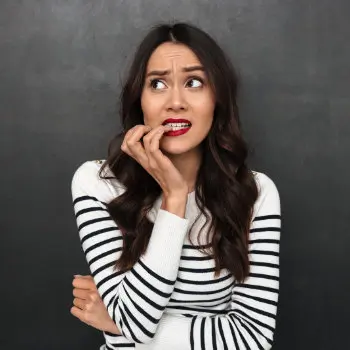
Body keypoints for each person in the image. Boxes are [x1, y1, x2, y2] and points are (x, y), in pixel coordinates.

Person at [70, 21, 281, 350]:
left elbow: (253, 338)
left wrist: (115, 321)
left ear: (217, 99)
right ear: (139, 99)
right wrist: (175, 198)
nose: (175, 102)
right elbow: (135, 323)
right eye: (157, 84)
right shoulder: (98, 184)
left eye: (194, 82)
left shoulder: (256, 193)